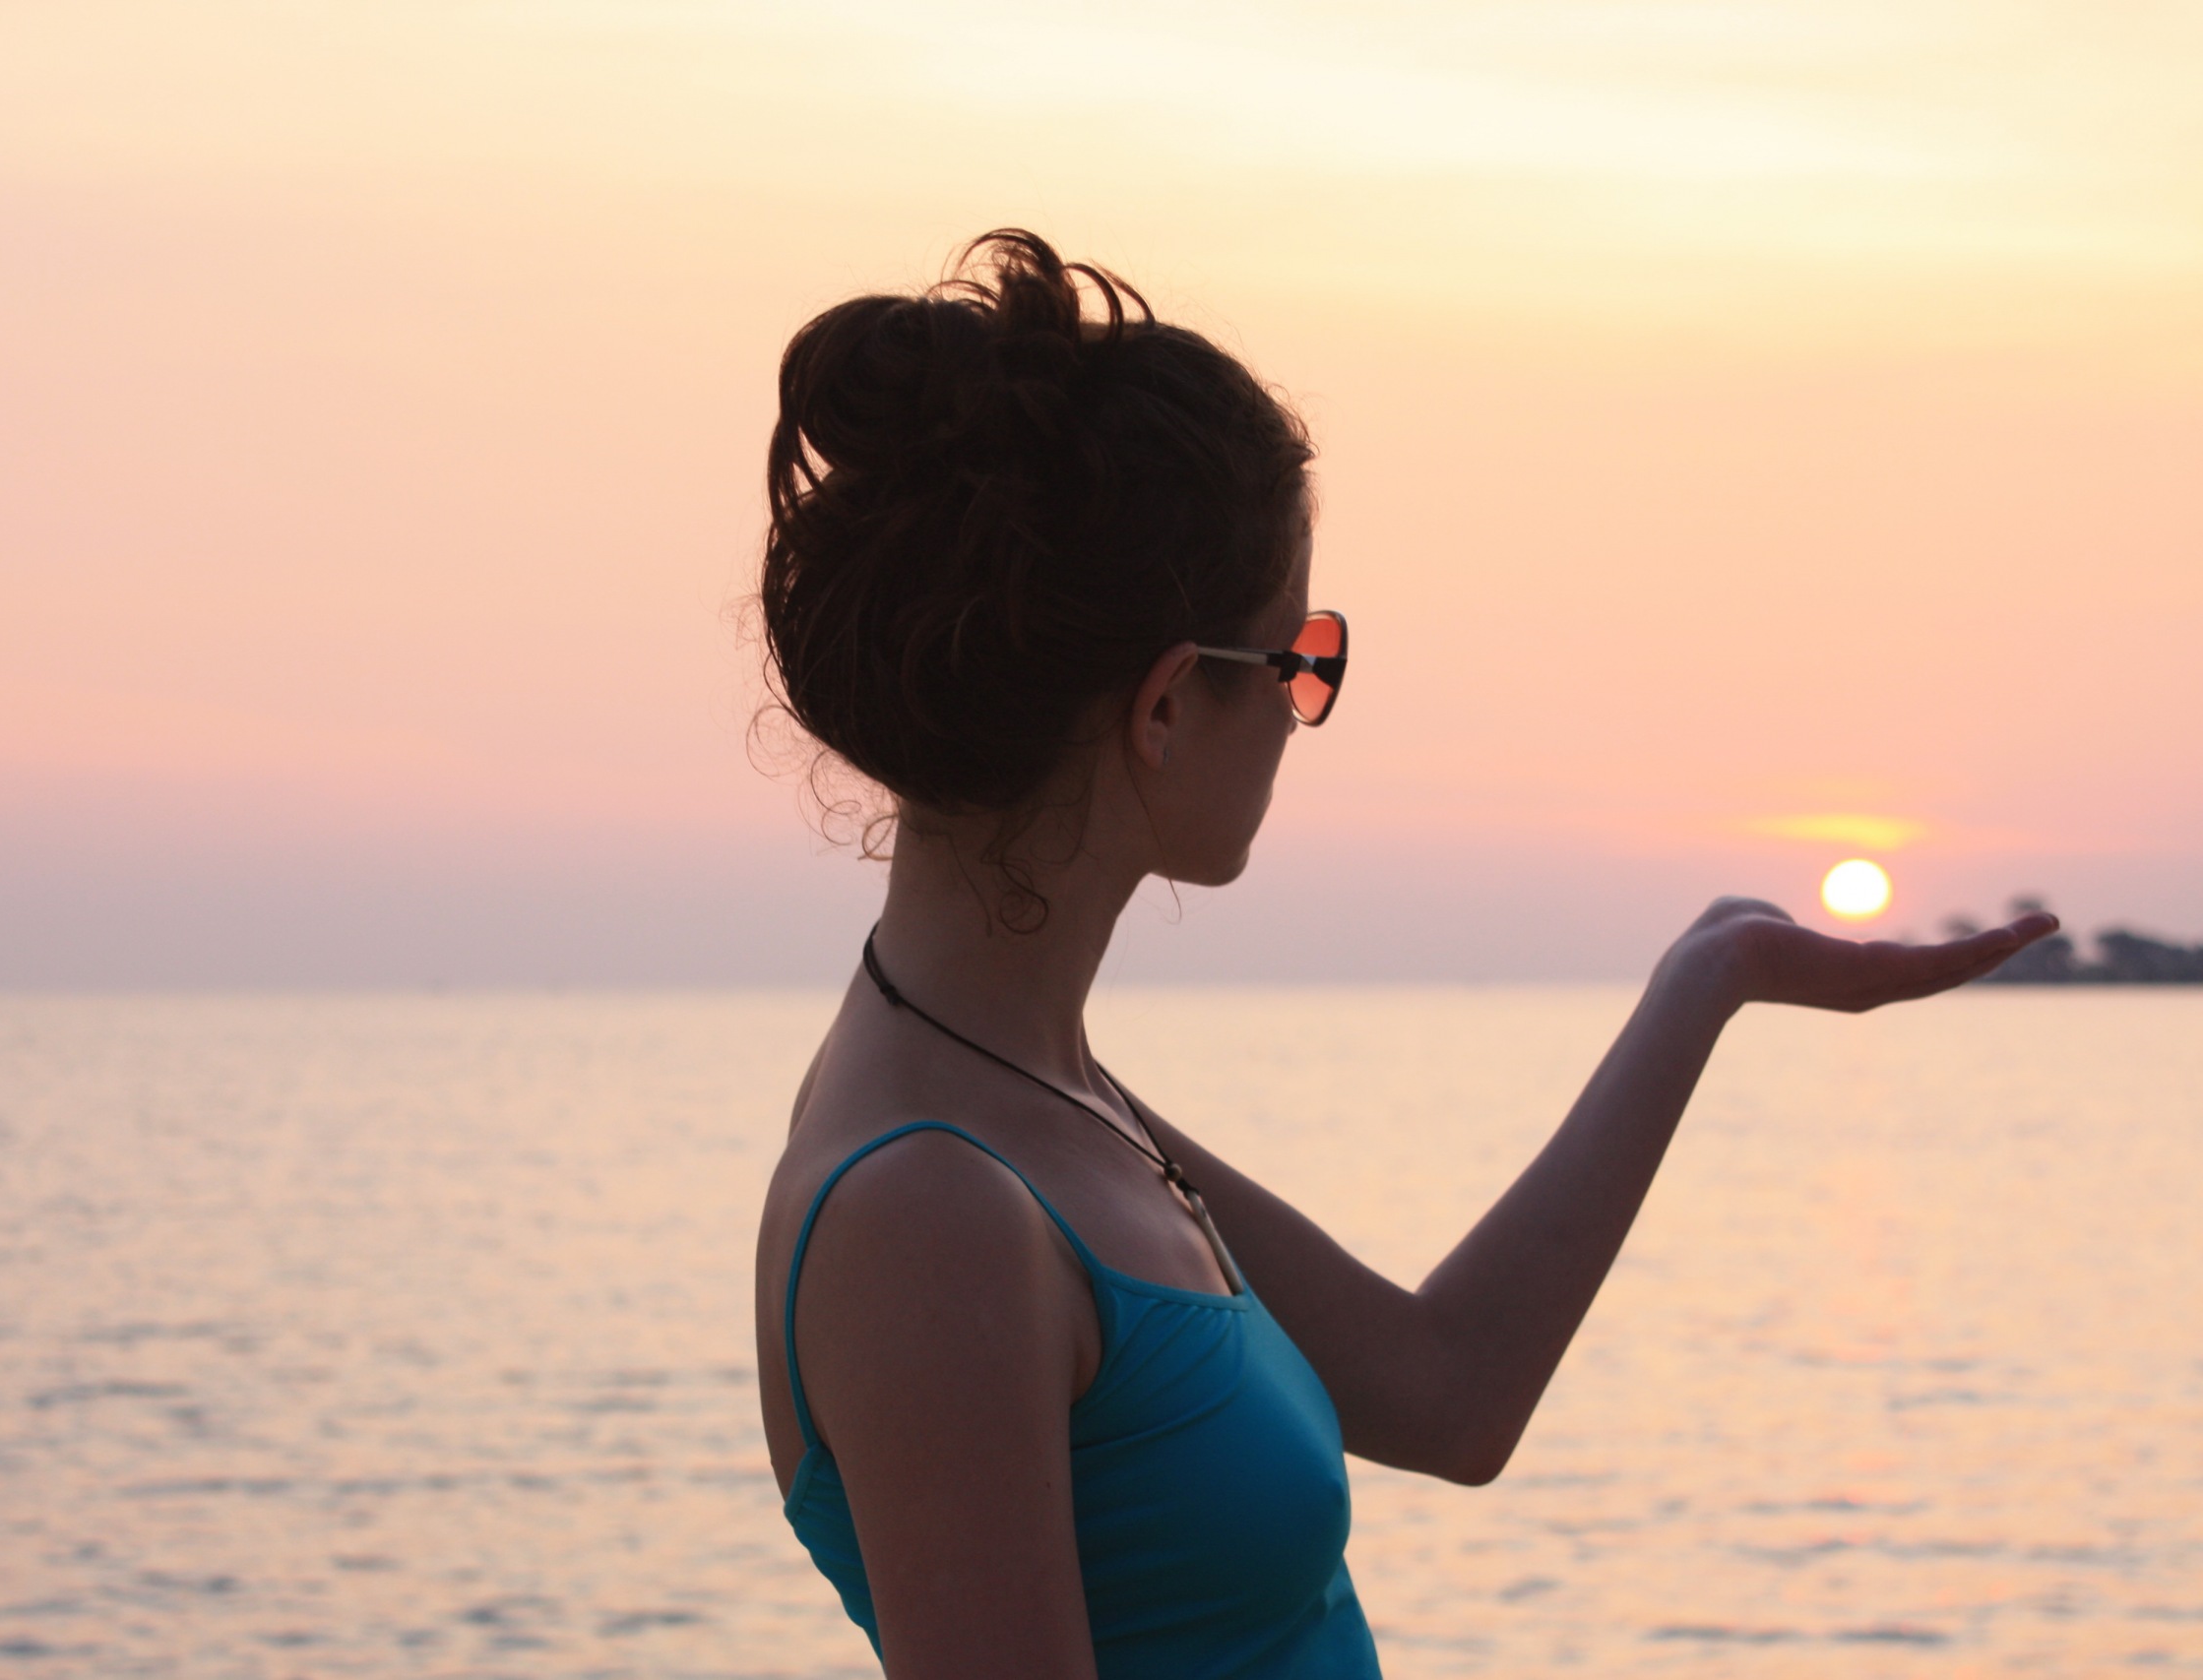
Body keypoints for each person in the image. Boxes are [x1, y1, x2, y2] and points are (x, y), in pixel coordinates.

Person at [746, 229, 2052, 1679]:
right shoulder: (931, 1212)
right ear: (1167, 706)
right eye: (1298, 660)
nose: (1307, 706)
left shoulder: (1042, 1097)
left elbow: (1450, 1395)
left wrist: (1708, 980)